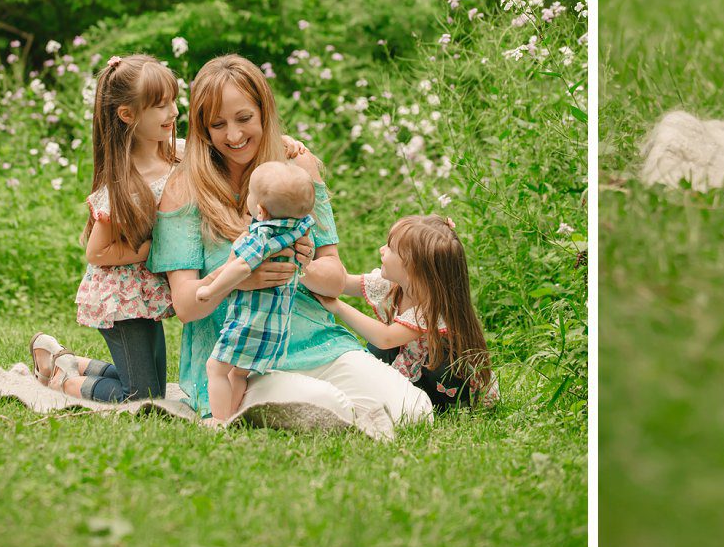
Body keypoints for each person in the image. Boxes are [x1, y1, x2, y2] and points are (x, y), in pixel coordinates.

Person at [150, 54, 434, 434]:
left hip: (316, 342)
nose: (233, 136)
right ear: (202, 129)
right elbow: (186, 306)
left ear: (264, 113)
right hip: (240, 359)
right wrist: (239, 277)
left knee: (415, 410)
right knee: (329, 405)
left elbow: (335, 278)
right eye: (218, 125)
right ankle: (246, 403)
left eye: (244, 118)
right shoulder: (185, 189)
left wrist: (305, 266)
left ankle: (320, 401)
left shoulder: (297, 170)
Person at [30, 56, 180, 404]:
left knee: (153, 387)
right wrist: (151, 250)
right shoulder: (124, 184)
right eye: (161, 105)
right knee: (141, 397)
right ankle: (62, 381)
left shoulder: (177, 154)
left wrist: (286, 143)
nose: (173, 111)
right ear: (127, 114)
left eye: (173, 100)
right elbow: (96, 252)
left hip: (144, 293)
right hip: (119, 297)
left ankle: (67, 361)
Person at [305, 215, 500, 412]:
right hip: (416, 365)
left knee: (431, 366)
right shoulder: (393, 285)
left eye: (390, 248)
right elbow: (342, 283)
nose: (382, 249)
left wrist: (337, 307)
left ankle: (450, 406)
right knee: (377, 352)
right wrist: (306, 266)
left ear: (411, 266)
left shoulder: (430, 311)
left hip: (444, 378)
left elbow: (386, 338)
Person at [197, 159, 319, 425]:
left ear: (260, 211)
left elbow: (240, 266)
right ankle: (232, 415)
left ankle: (217, 420)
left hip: (249, 321)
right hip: (274, 326)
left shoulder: (261, 237)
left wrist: (211, 289)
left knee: (215, 368)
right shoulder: (300, 230)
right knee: (238, 373)